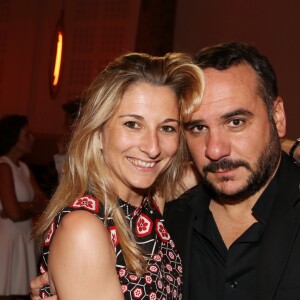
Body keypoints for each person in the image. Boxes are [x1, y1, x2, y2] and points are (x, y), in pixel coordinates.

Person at [31, 52, 205, 299]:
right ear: (98, 133)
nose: (152, 147)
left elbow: (212, 164)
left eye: (167, 128)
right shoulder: (84, 230)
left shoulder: (150, 200)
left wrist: (277, 145)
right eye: (133, 124)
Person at [164, 42, 300, 300]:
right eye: (198, 128)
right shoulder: (166, 221)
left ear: (278, 117)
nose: (215, 150)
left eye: (235, 122)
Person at [0, 115, 48, 300]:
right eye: (27, 135)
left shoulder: (24, 168)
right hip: (7, 240)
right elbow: (13, 213)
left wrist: (23, 206)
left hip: (24, 237)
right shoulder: (3, 166)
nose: (32, 139)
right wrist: (28, 207)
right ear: (13, 138)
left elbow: (43, 204)